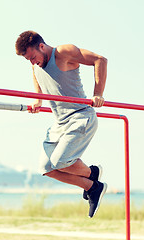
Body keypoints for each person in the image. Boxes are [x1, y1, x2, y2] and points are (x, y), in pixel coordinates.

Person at [15, 30, 108, 218]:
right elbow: (36, 74)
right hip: (60, 123)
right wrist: (38, 100)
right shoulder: (36, 65)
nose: (32, 62)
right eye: (28, 60)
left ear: (41, 46)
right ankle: (92, 186)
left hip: (80, 116)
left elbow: (100, 60)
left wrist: (98, 93)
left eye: (33, 57)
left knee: (61, 162)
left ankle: (92, 173)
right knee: (46, 168)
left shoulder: (63, 53)